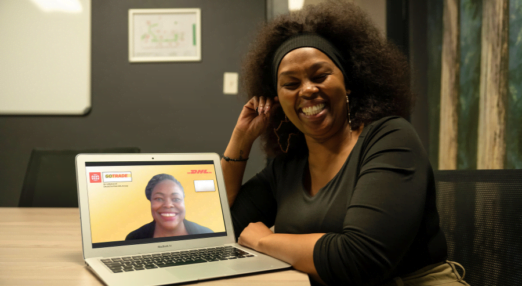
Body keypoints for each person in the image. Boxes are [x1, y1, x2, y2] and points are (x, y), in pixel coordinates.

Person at [221, 1, 468, 285]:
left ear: (348, 82)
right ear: (277, 99)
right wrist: (240, 140)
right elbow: (223, 228)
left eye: (320, 75)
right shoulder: (288, 166)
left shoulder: (390, 139)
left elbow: (360, 259)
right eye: (291, 84)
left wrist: (265, 241)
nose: (308, 90)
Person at [126, 174, 213, 240]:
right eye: (159, 199)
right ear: (150, 201)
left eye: (176, 199)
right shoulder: (134, 238)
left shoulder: (207, 235)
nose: (168, 205)